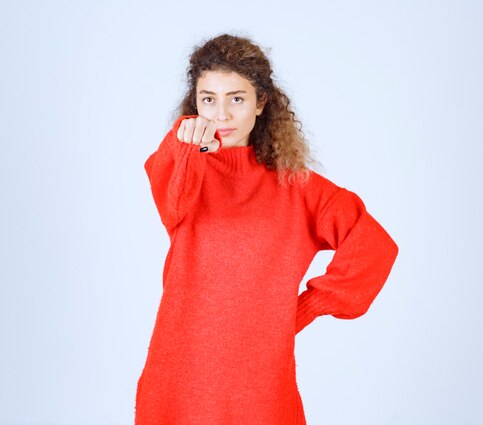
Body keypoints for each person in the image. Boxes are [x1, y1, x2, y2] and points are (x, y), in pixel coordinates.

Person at [134, 33, 399, 425]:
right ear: (195, 105)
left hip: (258, 381)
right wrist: (182, 143)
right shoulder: (185, 167)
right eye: (208, 99)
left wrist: (305, 308)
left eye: (236, 99)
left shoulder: (299, 188)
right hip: (179, 372)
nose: (220, 114)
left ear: (261, 103)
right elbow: (170, 201)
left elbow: (375, 247)